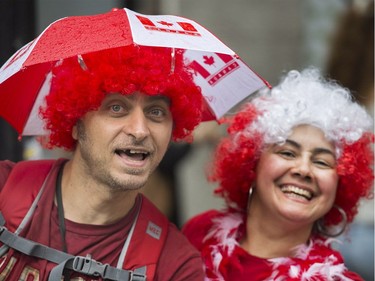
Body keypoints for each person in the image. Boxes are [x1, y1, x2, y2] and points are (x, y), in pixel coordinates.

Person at [0, 43, 206, 280]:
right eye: (117, 107)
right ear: (76, 124)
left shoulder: (175, 265)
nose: (140, 131)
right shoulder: (4, 188)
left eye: (156, 112)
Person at [182, 68, 374, 280]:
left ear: (341, 183)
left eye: (321, 162)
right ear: (252, 162)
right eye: (288, 152)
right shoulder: (201, 233)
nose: (303, 170)